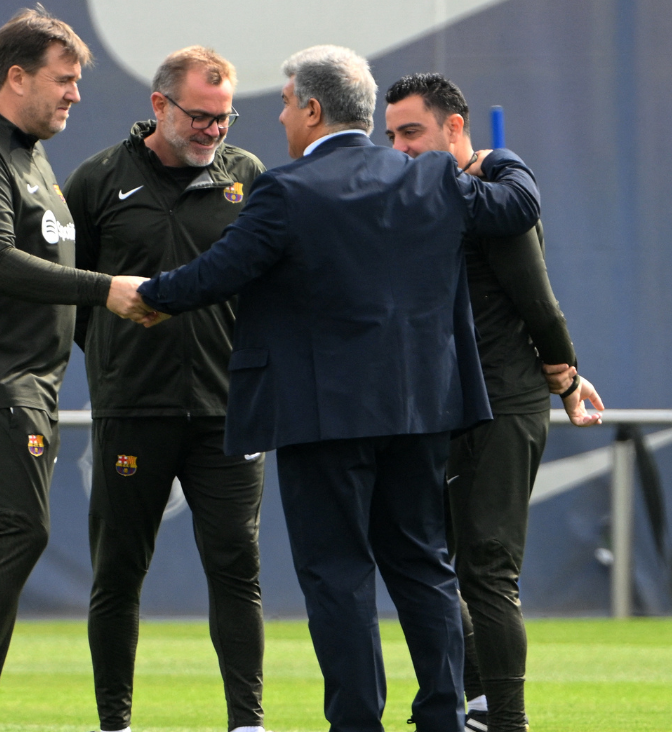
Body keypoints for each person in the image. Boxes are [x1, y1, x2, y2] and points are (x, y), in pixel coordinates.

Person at [118, 45, 540, 732]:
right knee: (424, 565)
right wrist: (495, 154)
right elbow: (517, 205)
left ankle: (356, 722)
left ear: (312, 110)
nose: (282, 116)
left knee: (338, 574)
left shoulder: (286, 191)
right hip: (420, 411)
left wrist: (144, 296)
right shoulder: (432, 177)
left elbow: (217, 273)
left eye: (285, 103)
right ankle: (443, 715)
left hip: (324, 417)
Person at [0, 8, 146, 732]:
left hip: (29, 383)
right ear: (16, 77)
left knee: (6, 537)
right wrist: (106, 289)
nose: (75, 93)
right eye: (64, 79)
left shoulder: (33, 156)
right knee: (17, 531)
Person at [384, 73, 605, 732]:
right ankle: (479, 706)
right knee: (419, 560)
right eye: (390, 135)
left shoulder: (496, 195)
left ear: (455, 128)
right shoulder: (434, 196)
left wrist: (565, 381)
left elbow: (539, 303)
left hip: (503, 405)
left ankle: (505, 720)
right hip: (439, 406)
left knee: (486, 571)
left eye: (411, 133)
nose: (398, 148)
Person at [63, 46, 269, 732]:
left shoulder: (248, 178)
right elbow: (67, 293)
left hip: (228, 415)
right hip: (132, 411)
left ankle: (247, 723)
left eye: (225, 116)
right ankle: (114, 724)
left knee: (237, 569)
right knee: (118, 573)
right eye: (200, 116)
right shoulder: (96, 181)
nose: (215, 129)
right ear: (159, 105)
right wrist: (115, 363)